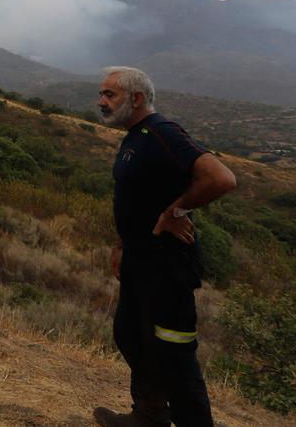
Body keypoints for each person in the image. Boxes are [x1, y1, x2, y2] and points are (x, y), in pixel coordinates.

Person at [93, 67, 236, 427]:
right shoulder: (134, 136)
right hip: (138, 262)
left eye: (110, 95)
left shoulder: (163, 133)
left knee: (174, 356)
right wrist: (121, 243)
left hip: (166, 268)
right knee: (130, 336)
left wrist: (177, 211)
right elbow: (138, 198)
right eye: (102, 94)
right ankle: (149, 415)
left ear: (137, 98)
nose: (101, 102)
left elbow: (221, 178)